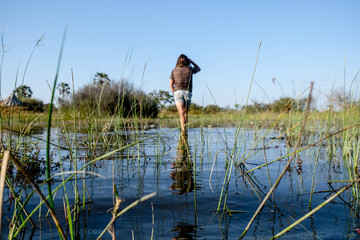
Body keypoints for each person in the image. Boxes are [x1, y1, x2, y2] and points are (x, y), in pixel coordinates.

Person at [170, 54, 201, 131]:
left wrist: (174, 93)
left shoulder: (174, 70)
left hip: (178, 92)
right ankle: (185, 130)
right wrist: (191, 61)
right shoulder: (190, 69)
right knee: (185, 114)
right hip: (187, 93)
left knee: (181, 113)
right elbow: (198, 68)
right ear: (187, 61)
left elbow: (171, 85)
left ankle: (183, 130)